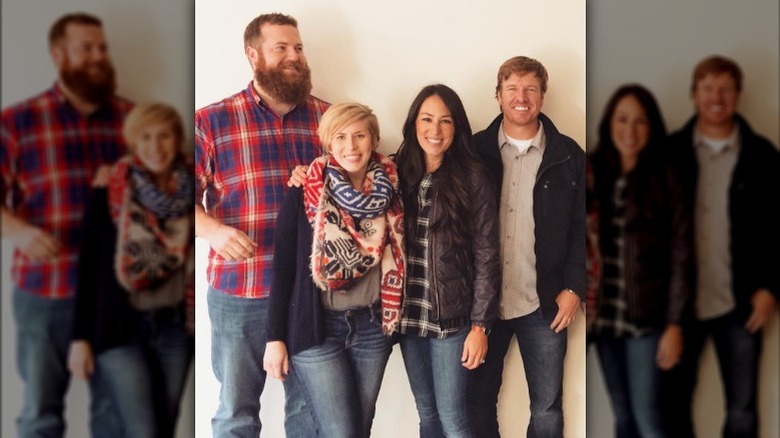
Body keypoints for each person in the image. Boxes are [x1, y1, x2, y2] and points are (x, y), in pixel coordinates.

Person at [194, 12, 326, 436]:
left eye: (299, 48)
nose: (294, 56)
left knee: (308, 413)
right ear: (253, 55)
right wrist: (212, 230)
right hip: (241, 291)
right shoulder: (211, 120)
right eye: (281, 48)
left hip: (310, 293)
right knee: (236, 411)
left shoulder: (329, 121)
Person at [1, 12, 131, 437]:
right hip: (46, 292)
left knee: (114, 418)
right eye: (86, 48)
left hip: (115, 296)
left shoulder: (134, 122)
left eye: (102, 47)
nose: (98, 56)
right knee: (40, 414)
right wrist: (18, 231)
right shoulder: (17, 121)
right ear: (58, 55)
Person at [263, 102, 404, 437]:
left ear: (373, 140)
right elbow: (282, 267)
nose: (350, 146)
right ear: (328, 142)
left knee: (359, 426)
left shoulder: (396, 188)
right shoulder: (305, 190)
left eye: (359, 136)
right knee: (340, 431)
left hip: (372, 325)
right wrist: (274, 337)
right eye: (340, 137)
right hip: (317, 326)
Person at [660, 55, 780, 438]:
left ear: (738, 95)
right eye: (708, 88)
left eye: (726, 89)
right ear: (693, 95)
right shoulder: (668, 153)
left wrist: (771, 289)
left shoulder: (763, 155)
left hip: (742, 304)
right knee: (674, 405)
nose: (717, 97)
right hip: (680, 307)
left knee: (742, 407)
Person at [467, 55, 586, 437]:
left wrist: (573, 288)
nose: (522, 97)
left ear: (543, 96)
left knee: (547, 407)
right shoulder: (472, 151)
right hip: (483, 306)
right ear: (498, 95)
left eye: (531, 89)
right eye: (513, 89)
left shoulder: (569, 155)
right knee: (478, 401)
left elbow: (586, 229)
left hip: (545, 302)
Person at [67, 102, 195, 437]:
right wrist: (79, 337)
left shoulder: (195, 190)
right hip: (121, 327)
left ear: (177, 139)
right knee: (143, 431)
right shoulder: (111, 189)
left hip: (175, 328)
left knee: (164, 427)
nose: (156, 146)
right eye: (146, 138)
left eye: (164, 136)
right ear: (134, 144)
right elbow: (90, 267)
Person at [394, 84, 500, 437]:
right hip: (408, 317)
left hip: (452, 321)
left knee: (454, 417)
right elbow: (349, 170)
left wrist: (480, 326)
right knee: (427, 415)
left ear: (457, 128)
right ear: (414, 123)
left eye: (445, 121)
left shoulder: (473, 176)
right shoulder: (396, 171)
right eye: (427, 119)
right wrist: (308, 172)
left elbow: (487, 254)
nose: (434, 131)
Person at [589, 84, 693, 437]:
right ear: (609, 123)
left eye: (640, 121)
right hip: (603, 323)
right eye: (622, 119)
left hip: (646, 323)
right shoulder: (593, 174)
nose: (629, 130)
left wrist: (675, 325)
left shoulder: (666, 177)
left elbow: (682, 254)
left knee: (649, 419)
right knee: (623, 417)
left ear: (652, 128)